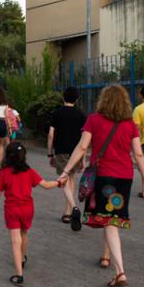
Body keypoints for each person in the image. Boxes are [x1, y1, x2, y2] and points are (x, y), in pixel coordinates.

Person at [57, 85, 144, 287]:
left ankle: (120, 272)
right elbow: (138, 154)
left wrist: (66, 171)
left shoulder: (94, 119)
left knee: (109, 222)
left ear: (103, 100)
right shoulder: (130, 124)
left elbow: (82, 146)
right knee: (113, 220)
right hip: (125, 177)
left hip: (104, 176)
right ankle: (107, 259)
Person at [0, 141, 63, 287]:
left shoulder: (5, 173)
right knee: (24, 233)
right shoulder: (29, 171)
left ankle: (19, 274)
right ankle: (22, 258)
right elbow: (46, 185)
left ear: (7, 156)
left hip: (12, 210)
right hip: (28, 209)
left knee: (15, 241)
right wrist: (59, 183)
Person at [47, 86, 86, 230]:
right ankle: (68, 212)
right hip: (76, 151)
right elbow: (84, 138)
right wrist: (83, 159)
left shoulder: (57, 113)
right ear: (77, 99)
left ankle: (73, 209)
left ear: (63, 97)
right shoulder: (81, 114)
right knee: (72, 180)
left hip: (61, 151)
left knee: (63, 180)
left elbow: (51, 134)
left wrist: (50, 153)